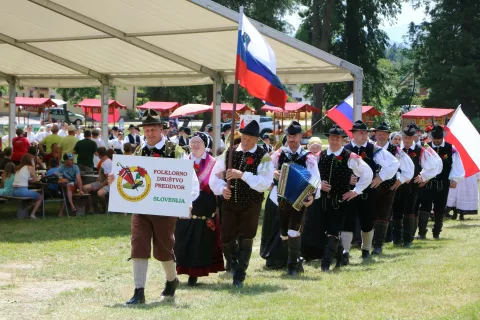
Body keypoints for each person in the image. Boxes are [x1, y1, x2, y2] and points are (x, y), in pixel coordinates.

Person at [112, 109, 199, 305]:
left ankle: (171, 280)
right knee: (138, 245)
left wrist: (188, 202)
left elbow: (189, 180)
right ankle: (139, 291)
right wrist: (115, 180)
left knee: (164, 248)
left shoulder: (175, 151)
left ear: (162, 129)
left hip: (165, 208)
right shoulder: (139, 150)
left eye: (153, 129)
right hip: (141, 207)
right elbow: (129, 175)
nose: (150, 133)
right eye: (147, 130)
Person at [209, 120, 274, 287]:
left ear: (256, 140)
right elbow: (214, 176)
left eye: (250, 139)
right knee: (227, 237)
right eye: (244, 137)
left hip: (251, 204)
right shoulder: (229, 153)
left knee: (246, 236)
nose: (245, 142)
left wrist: (242, 175)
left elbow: (265, 183)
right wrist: (223, 189)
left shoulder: (263, 156)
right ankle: (233, 261)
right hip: (230, 202)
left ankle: (240, 274)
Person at [314, 125, 373, 271]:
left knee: (333, 230)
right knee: (325, 229)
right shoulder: (318, 156)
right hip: (322, 201)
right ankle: (341, 258)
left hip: (340, 201)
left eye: (337, 139)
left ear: (342, 140)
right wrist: (318, 184)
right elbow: (310, 175)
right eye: (332, 138)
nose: (334, 141)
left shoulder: (350, 157)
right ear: (328, 139)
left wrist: (356, 191)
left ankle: (326, 263)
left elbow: (368, 173)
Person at [341, 120, 399, 260]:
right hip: (349, 192)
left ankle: (366, 250)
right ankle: (345, 252)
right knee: (347, 221)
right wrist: (347, 179)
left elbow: (393, 163)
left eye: (366, 132)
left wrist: (381, 177)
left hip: (368, 192)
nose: (364, 135)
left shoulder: (373, 149)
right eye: (360, 132)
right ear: (353, 134)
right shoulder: (345, 149)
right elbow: (338, 170)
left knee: (367, 221)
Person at [174, 132, 224, 286]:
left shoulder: (213, 163)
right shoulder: (183, 161)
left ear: (205, 145)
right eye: (193, 142)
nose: (195, 145)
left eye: (198, 142)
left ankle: (194, 274)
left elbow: (217, 185)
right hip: (185, 206)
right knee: (182, 240)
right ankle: (179, 270)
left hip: (204, 208)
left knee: (199, 242)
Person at [269, 121, 318, 275]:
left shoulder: (308, 157)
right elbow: (266, 170)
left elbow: (315, 178)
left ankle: (292, 265)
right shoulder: (278, 154)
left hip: (300, 197)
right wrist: (273, 174)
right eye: (289, 136)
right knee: (284, 233)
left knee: (293, 229)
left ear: (300, 137)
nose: (291, 139)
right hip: (282, 197)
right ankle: (295, 260)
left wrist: (311, 195)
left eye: (294, 136)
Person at [391, 123, 441, 247]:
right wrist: (399, 177)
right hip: (398, 184)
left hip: (412, 185)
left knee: (410, 210)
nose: (406, 140)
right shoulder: (396, 149)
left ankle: (408, 239)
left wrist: (423, 176)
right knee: (396, 210)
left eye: (409, 138)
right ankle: (397, 239)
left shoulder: (420, 150)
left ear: (413, 137)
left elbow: (434, 165)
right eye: (405, 137)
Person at [372, 122, 414, 255]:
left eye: (384, 134)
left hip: (388, 188)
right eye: (379, 133)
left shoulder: (396, 150)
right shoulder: (369, 147)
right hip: (370, 188)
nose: (381, 136)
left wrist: (400, 180)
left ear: (388, 135)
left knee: (383, 215)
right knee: (370, 214)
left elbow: (409, 169)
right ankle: (367, 243)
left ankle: (378, 245)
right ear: (375, 134)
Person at [418, 125, 464, 239]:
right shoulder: (426, 147)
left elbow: (457, 164)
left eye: (438, 139)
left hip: (443, 183)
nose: (436, 141)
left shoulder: (451, 148)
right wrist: (422, 177)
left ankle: (436, 232)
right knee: (424, 207)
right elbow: (421, 164)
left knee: (440, 207)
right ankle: (422, 232)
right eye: (434, 139)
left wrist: (455, 179)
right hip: (427, 183)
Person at [12, 154, 43, 219]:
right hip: (22, 191)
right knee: (40, 197)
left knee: (34, 194)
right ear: (30, 160)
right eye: (33, 160)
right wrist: (40, 177)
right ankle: (33, 214)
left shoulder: (18, 168)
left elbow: (25, 179)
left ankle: (28, 210)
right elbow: (35, 180)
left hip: (14, 191)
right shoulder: (30, 167)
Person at [83, 147, 112, 212]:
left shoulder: (106, 163)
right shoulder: (104, 161)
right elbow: (100, 177)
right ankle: (91, 207)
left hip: (107, 183)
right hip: (101, 182)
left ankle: (104, 206)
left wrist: (100, 186)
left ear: (98, 154)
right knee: (85, 188)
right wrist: (96, 183)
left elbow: (108, 179)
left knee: (100, 193)